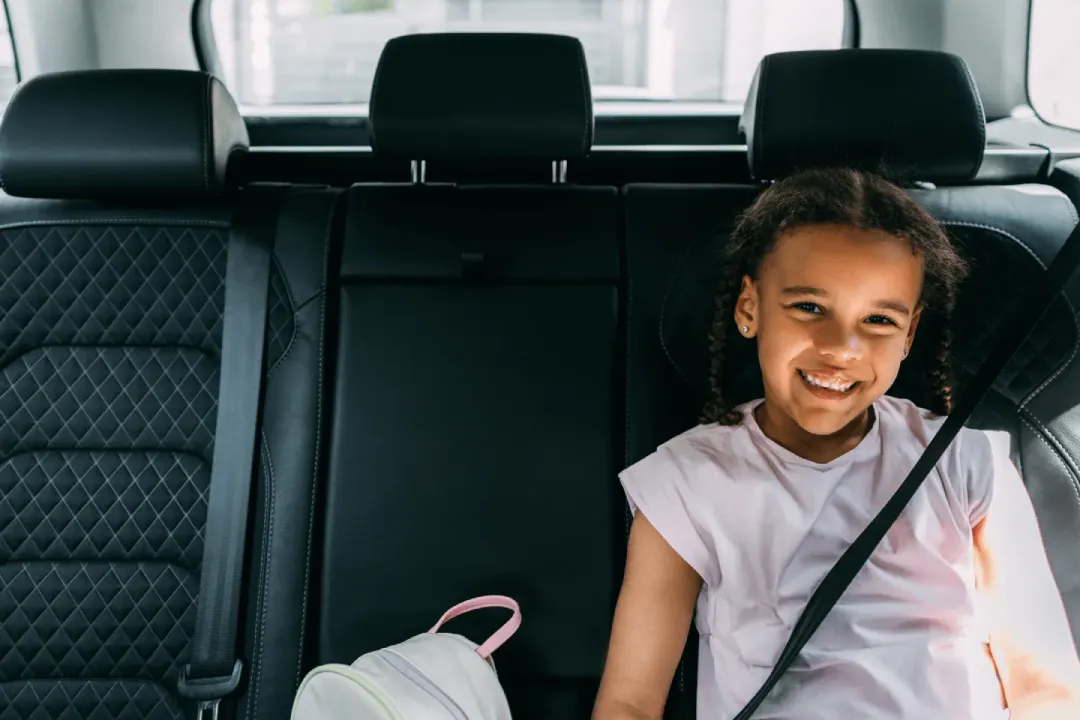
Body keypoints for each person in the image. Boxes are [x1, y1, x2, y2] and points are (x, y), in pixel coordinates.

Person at [592, 168, 1080, 719]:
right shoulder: (687, 483)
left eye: (877, 319)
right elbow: (630, 701)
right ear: (749, 309)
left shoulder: (965, 463)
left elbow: (1046, 685)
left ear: (909, 335)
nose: (842, 348)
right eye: (809, 308)